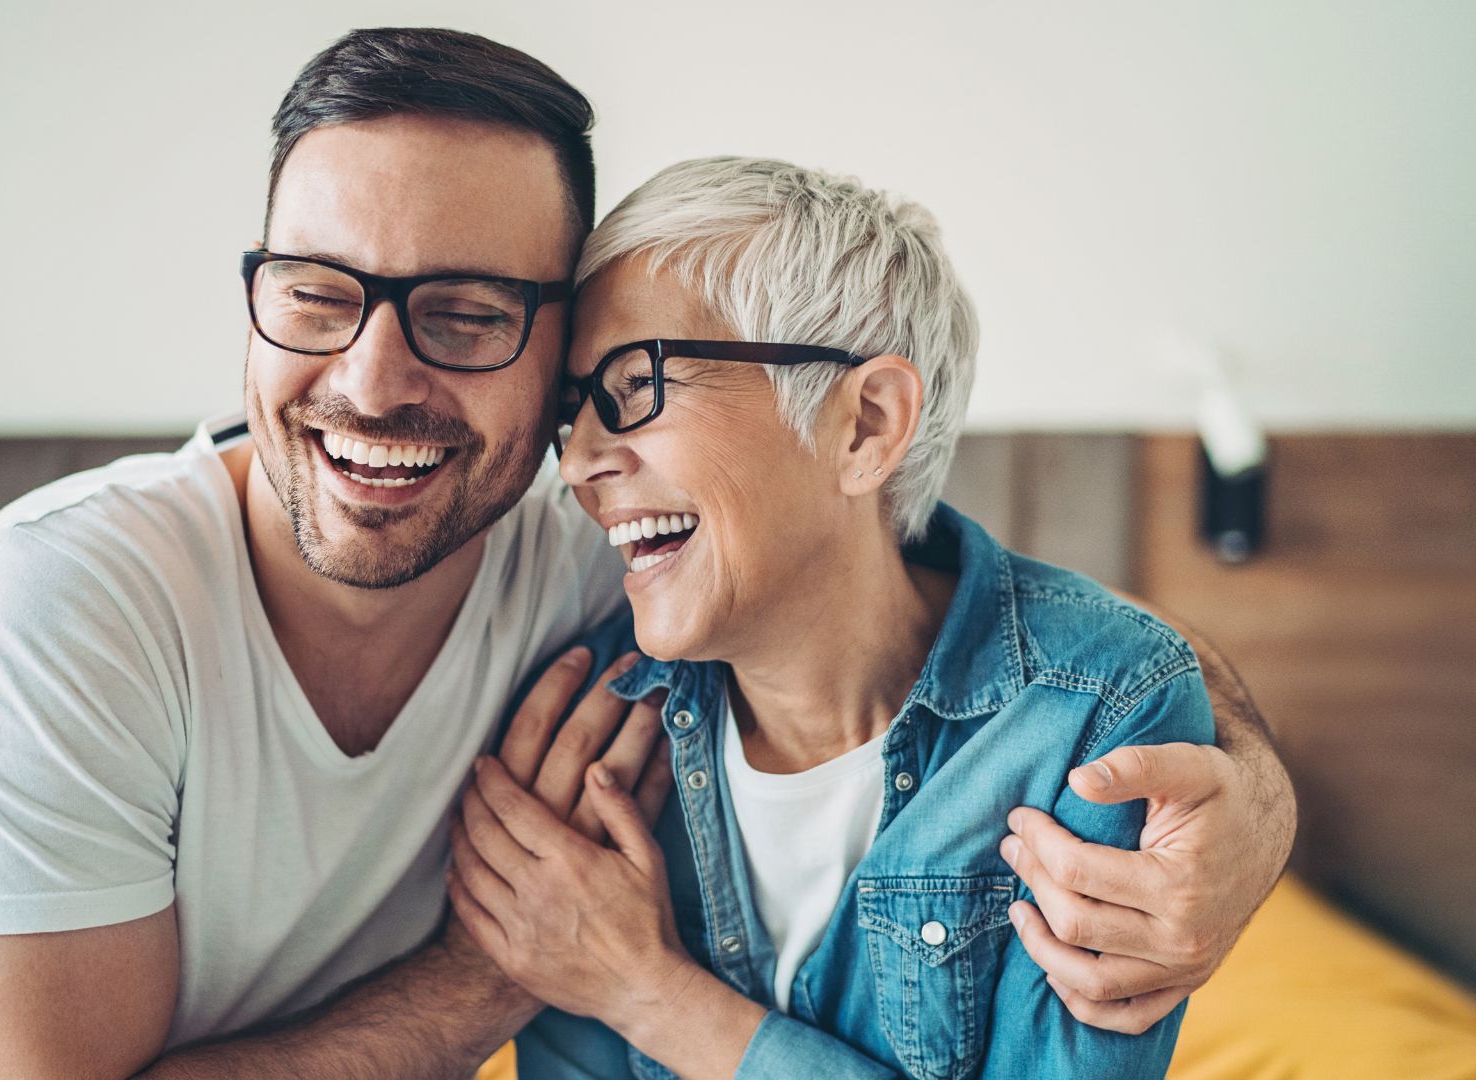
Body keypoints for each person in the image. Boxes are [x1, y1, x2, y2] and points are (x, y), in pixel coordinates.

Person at [0, 28, 1296, 1080]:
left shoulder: (618, 590)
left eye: (468, 314)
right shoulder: (67, 611)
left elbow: (980, 626)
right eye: (315, 293)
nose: (369, 379)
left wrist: (1255, 804)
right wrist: (499, 975)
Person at [448, 157, 1227, 1079]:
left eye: (633, 384)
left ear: (865, 425)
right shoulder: (597, 722)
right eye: (570, 411)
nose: (577, 460)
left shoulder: (1096, 718)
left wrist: (646, 992)